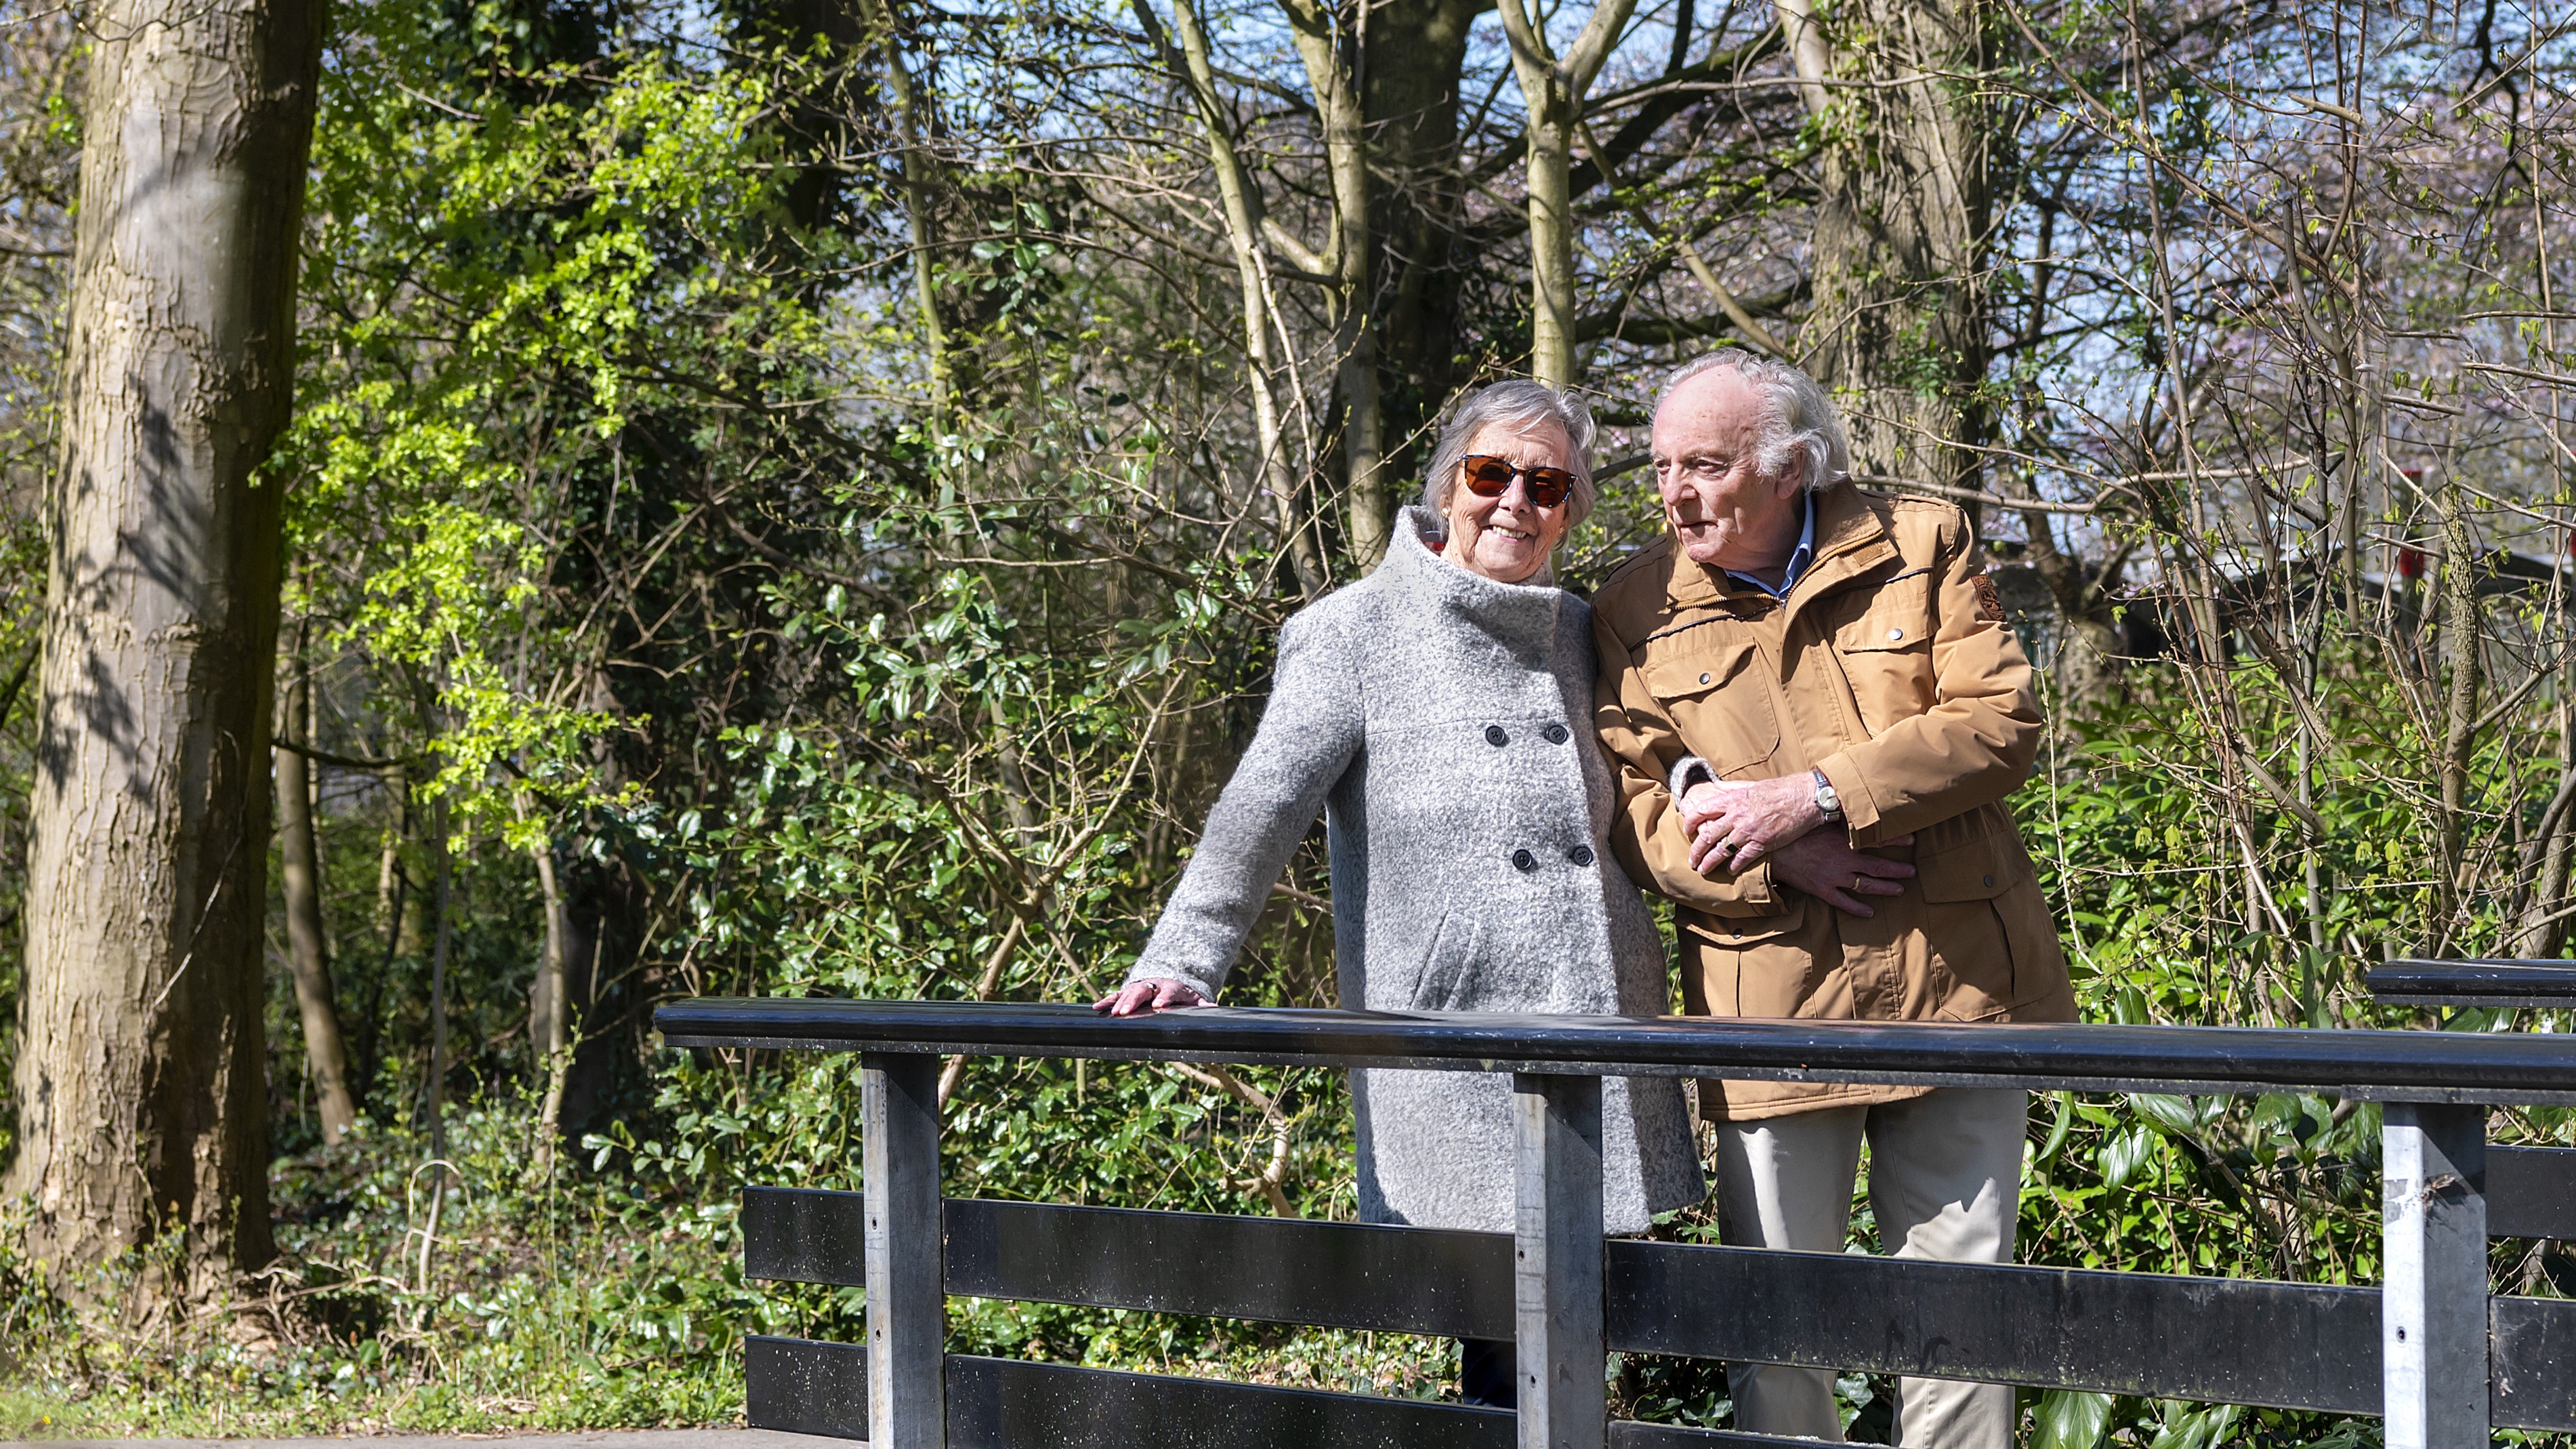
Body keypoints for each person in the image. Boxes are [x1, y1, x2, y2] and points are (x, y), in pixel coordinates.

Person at [1100, 378, 1703, 1409]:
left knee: (1588, 1350)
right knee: (1502, 1358)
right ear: (1445, 485)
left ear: (1573, 506)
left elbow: (1660, 752)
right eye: (1490, 473)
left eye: (1548, 482)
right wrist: (1181, 957)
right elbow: (1261, 807)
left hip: (1599, 1025)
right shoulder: (1352, 631)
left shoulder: (1578, 627)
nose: (1515, 499)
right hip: (1454, 1045)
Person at [1591, 349, 2077, 1449]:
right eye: (1663, 465)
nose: (1676, 491)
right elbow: (1637, 813)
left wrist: (1814, 799)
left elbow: (1998, 722)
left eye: (1705, 465)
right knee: (1777, 1321)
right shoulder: (1629, 607)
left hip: (1958, 985)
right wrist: (1774, 857)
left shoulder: (1922, 542)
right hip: (1773, 1002)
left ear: (1788, 463)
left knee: (1961, 1318)